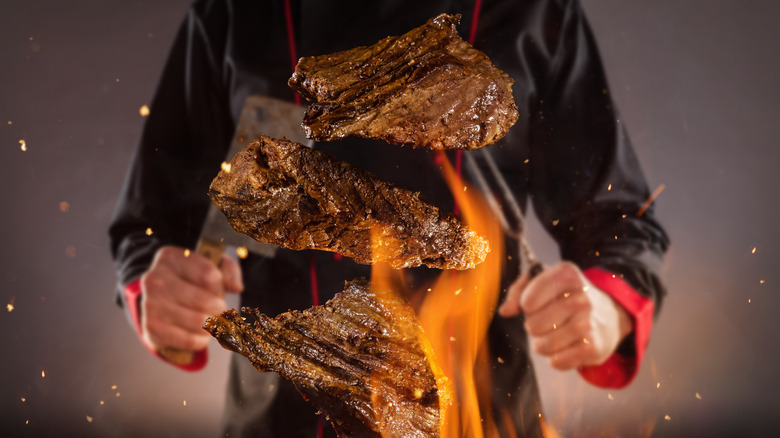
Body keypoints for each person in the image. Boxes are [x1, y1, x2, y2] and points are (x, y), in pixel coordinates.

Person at [109, 0, 668, 437]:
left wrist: (605, 305)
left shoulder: (535, 9)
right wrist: (158, 290)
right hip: (282, 419)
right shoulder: (230, 14)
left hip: (480, 414)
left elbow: (617, 218)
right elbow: (150, 224)